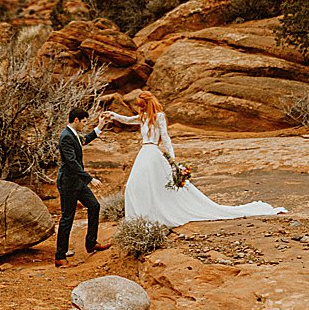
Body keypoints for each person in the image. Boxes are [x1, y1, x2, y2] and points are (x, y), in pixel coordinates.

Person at [104, 90, 286, 227]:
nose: (139, 107)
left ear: (147, 104)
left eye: (141, 105)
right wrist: (112, 115)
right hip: (144, 153)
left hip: (152, 153)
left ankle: (149, 218)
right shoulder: (143, 117)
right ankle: (139, 218)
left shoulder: (158, 116)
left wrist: (173, 161)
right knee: (134, 186)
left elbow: (166, 138)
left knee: (147, 185)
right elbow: (128, 120)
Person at [55, 107, 111, 267]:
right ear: (76, 120)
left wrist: (100, 126)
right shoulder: (65, 136)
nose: (85, 124)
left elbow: (85, 140)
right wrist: (90, 179)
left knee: (94, 206)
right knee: (67, 218)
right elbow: (72, 163)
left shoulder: (73, 134)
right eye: (84, 121)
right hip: (68, 183)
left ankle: (91, 243)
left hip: (77, 181)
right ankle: (60, 256)